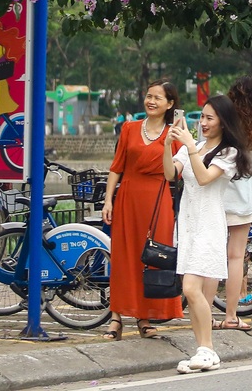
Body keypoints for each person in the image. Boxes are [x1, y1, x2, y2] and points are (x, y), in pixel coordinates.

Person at [164, 95, 251, 374]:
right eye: (201, 116)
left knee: (190, 288)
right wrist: (168, 146)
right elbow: (169, 174)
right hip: (188, 224)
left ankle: (208, 348)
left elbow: (203, 178)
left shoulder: (229, 153)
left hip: (210, 226)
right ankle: (203, 350)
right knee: (194, 293)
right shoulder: (195, 147)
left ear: (223, 122)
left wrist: (189, 147)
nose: (202, 123)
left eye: (209, 118)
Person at [101, 81, 183, 340]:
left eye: (158, 98)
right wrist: (108, 200)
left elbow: (181, 171)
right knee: (123, 258)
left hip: (158, 203)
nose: (151, 101)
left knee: (151, 259)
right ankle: (116, 316)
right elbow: (117, 167)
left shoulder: (175, 134)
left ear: (170, 104)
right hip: (128, 198)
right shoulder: (129, 128)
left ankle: (145, 316)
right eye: (149, 96)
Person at [221, 76, 252, 330]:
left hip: (219, 188)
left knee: (212, 254)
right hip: (245, 191)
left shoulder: (226, 122)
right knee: (236, 256)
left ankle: (204, 312)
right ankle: (231, 314)